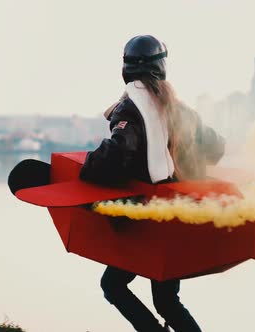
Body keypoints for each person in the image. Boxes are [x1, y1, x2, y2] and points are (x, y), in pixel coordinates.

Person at [79, 35, 225, 332]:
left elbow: (118, 153)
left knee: (113, 285)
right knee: (167, 301)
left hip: (146, 220)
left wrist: (89, 167)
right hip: (181, 217)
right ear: (162, 66)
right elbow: (216, 149)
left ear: (126, 69)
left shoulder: (131, 109)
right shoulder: (182, 111)